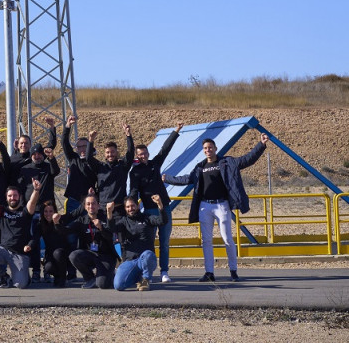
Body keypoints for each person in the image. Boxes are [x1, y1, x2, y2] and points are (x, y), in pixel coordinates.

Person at [163, 132, 268, 282]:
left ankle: (233, 271)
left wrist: (261, 145)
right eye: (205, 148)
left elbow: (247, 160)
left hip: (222, 205)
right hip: (205, 206)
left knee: (227, 239)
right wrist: (168, 179)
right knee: (206, 240)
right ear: (203, 151)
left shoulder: (227, 162)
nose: (208, 150)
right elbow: (186, 179)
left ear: (215, 148)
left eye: (210, 147)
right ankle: (209, 272)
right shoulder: (200, 167)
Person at [129, 123, 182, 282]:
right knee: (149, 244)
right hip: (149, 212)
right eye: (140, 154)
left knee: (164, 242)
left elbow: (165, 149)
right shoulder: (135, 172)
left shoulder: (155, 164)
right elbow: (133, 190)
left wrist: (176, 131)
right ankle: (148, 273)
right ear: (137, 156)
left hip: (164, 208)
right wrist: (132, 204)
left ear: (148, 153)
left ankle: (164, 271)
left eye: (145, 153)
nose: (143, 156)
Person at [0, 177, 43, 289]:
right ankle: (4, 276)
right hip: (3, 249)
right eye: (10, 196)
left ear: (20, 197)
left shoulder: (25, 211)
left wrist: (36, 190)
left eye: (15, 195)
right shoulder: (2, 211)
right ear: (6, 198)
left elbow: (32, 202)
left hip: (19, 253)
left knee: (21, 285)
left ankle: (23, 276)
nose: (12, 198)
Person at [109, 195, 165, 291]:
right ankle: (137, 277)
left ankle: (145, 279)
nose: (131, 209)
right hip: (130, 260)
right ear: (125, 208)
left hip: (145, 258)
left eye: (133, 206)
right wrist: (109, 212)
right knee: (118, 285)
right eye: (128, 207)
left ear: (138, 206)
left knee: (148, 254)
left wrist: (160, 204)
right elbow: (112, 228)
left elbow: (162, 221)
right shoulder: (123, 221)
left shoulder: (147, 218)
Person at [65, 194, 118, 289]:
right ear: (85, 207)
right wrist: (56, 223)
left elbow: (110, 236)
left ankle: (110, 274)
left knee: (103, 285)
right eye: (88, 204)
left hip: (106, 256)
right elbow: (66, 230)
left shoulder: (106, 218)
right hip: (91, 254)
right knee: (74, 255)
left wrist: (101, 228)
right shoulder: (82, 220)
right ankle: (90, 278)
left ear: (98, 205)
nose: (91, 206)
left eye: (93, 204)